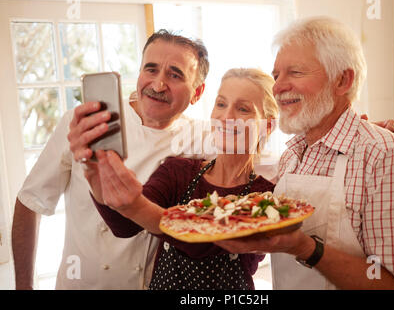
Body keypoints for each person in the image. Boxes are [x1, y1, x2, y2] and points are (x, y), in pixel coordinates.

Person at [216, 17, 394, 290]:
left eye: (294, 72)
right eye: (277, 75)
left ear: (342, 80)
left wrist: (307, 248)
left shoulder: (388, 156)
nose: (278, 87)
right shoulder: (292, 154)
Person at [12, 29, 210, 289]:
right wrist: (23, 287)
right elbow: (30, 201)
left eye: (175, 75)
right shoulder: (85, 124)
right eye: (150, 70)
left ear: (197, 92)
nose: (158, 85)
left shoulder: (202, 139)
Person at [82, 68, 278, 290]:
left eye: (243, 109)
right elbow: (126, 227)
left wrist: (135, 206)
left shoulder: (266, 197)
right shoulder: (178, 171)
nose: (226, 117)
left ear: (267, 126)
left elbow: (202, 244)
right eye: (221, 104)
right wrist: (98, 184)